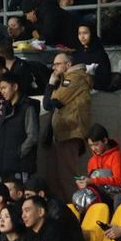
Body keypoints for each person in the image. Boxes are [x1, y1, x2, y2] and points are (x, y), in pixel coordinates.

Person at [42, 54, 93, 201]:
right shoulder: (66, 79)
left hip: (70, 132)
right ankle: (61, 206)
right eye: (53, 64)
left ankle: (74, 206)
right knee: (54, 175)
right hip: (62, 132)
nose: (54, 67)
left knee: (67, 175)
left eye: (58, 64)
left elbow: (50, 102)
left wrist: (51, 83)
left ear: (68, 64)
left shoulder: (74, 78)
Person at [0, 74, 40, 182]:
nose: (2, 92)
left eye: (4, 88)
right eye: (0, 89)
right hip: (5, 165)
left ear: (15, 87)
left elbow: (32, 136)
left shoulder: (28, 107)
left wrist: (18, 153)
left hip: (21, 166)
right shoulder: (5, 108)